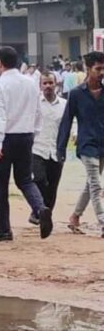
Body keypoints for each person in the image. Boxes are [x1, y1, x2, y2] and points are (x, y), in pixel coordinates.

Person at [0, 46, 52, 241]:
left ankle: (4, 229)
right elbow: (38, 111)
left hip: (7, 138)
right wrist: (35, 133)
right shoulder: (31, 83)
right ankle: (40, 208)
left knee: (0, 185)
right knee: (25, 179)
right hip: (26, 136)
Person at [57, 51, 104, 237]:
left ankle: (75, 216)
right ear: (88, 69)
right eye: (98, 69)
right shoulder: (76, 94)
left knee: (90, 184)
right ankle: (102, 220)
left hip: (102, 144)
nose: (101, 73)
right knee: (96, 184)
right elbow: (66, 121)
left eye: (103, 69)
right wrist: (60, 148)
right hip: (86, 145)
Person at [30, 73, 66, 225]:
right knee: (38, 179)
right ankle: (37, 209)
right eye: (44, 83)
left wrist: (74, 134)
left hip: (56, 150)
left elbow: (71, 122)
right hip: (37, 148)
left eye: (50, 83)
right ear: (40, 85)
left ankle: (45, 218)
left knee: (53, 186)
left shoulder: (64, 104)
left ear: (56, 84)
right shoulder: (34, 103)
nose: (48, 86)